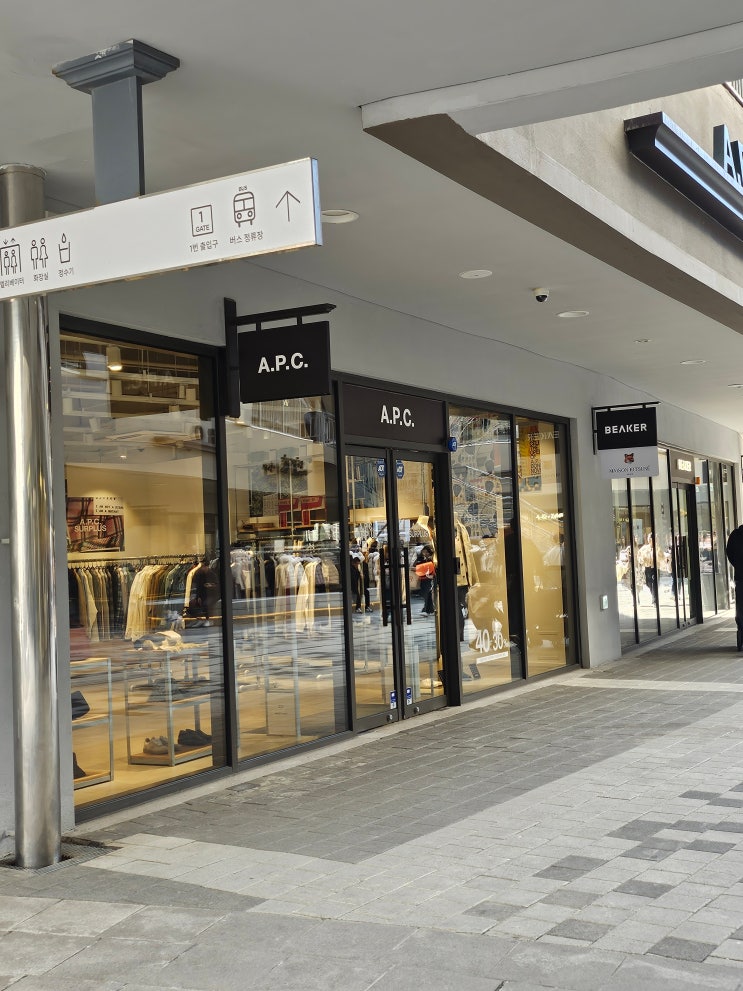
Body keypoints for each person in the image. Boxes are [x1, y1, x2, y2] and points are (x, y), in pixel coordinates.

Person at [726, 525, 743, 648]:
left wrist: (738, 565)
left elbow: (730, 554)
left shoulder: (735, 535)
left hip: (741, 576)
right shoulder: (736, 535)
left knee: (741, 606)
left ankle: (741, 630)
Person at [637, 533, 657, 605]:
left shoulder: (657, 548)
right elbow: (639, 556)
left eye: (650, 538)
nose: (649, 540)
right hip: (647, 568)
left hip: (654, 568)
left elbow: (661, 557)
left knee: (654, 583)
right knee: (649, 583)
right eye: (648, 538)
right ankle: (654, 595)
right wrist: (641, 561)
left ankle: (654, 600)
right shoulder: (644, 548)